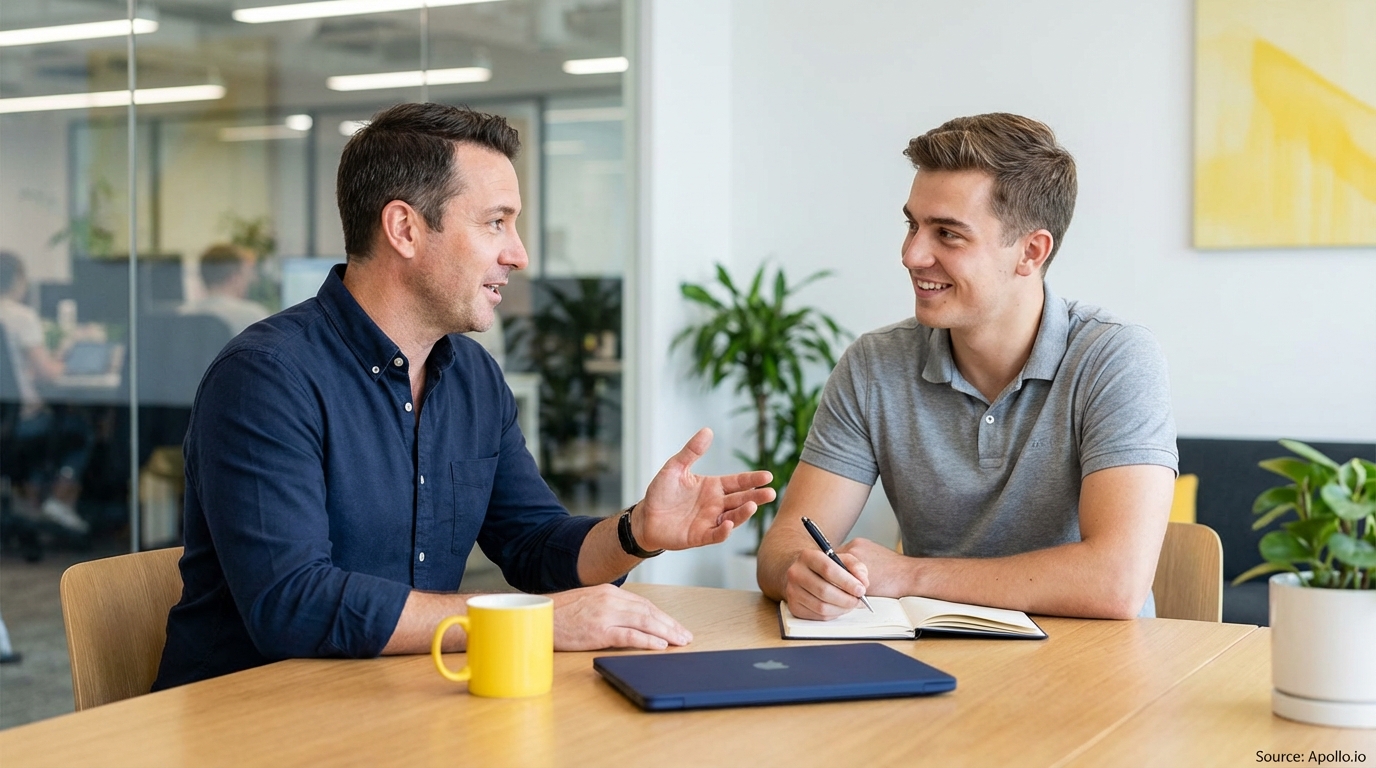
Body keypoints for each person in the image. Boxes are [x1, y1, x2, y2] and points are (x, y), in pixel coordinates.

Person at [153, 103, 774, 689]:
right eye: (496, 222)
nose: (519, 254)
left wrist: (638, 531)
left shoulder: (473, 377)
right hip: (250, 720)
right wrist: (531, 620)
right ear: (404, 229)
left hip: (399, 705)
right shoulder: (266, 377)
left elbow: (533, 548)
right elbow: (292, 604)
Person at [757, 113, 1177, 622]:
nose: (912, 255)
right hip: (936, 664)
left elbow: (1115, 582)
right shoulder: (874, 365)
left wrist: (910, 575)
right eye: (913, 225)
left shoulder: (1115, 359)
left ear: (1031, 251)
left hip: (1092, 671)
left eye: (948, 234)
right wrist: (801, 575)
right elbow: (783, 547)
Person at [0, 250, 91, 535]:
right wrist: (65, 355)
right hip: (19, 423)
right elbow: (48, 373)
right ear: (18, 280)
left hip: (9, 423)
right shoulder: (20, 316)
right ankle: (58, 499)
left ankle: (32, 504)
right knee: (81, 429)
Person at [180, 243, 270, 335]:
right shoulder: (253, 316)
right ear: (234, 277)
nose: (250, 281)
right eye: (245, 275)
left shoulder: (184, 315)